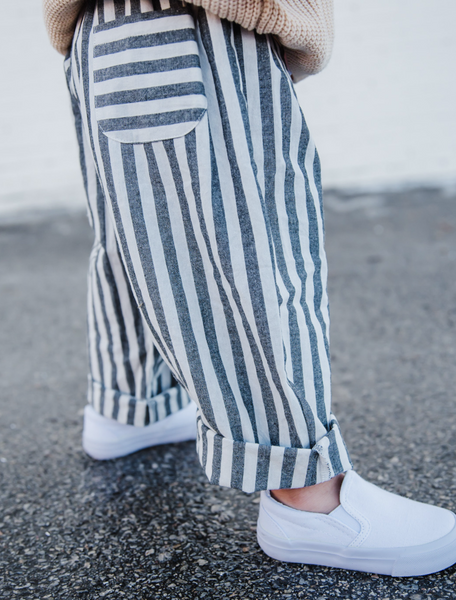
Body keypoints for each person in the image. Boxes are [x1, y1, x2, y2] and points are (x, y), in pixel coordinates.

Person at [43, 0, 456, 577]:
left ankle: (135, 402)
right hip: (199, 22)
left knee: (145, 235)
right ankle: (308, 495)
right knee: (248, 243)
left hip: (111, 33)